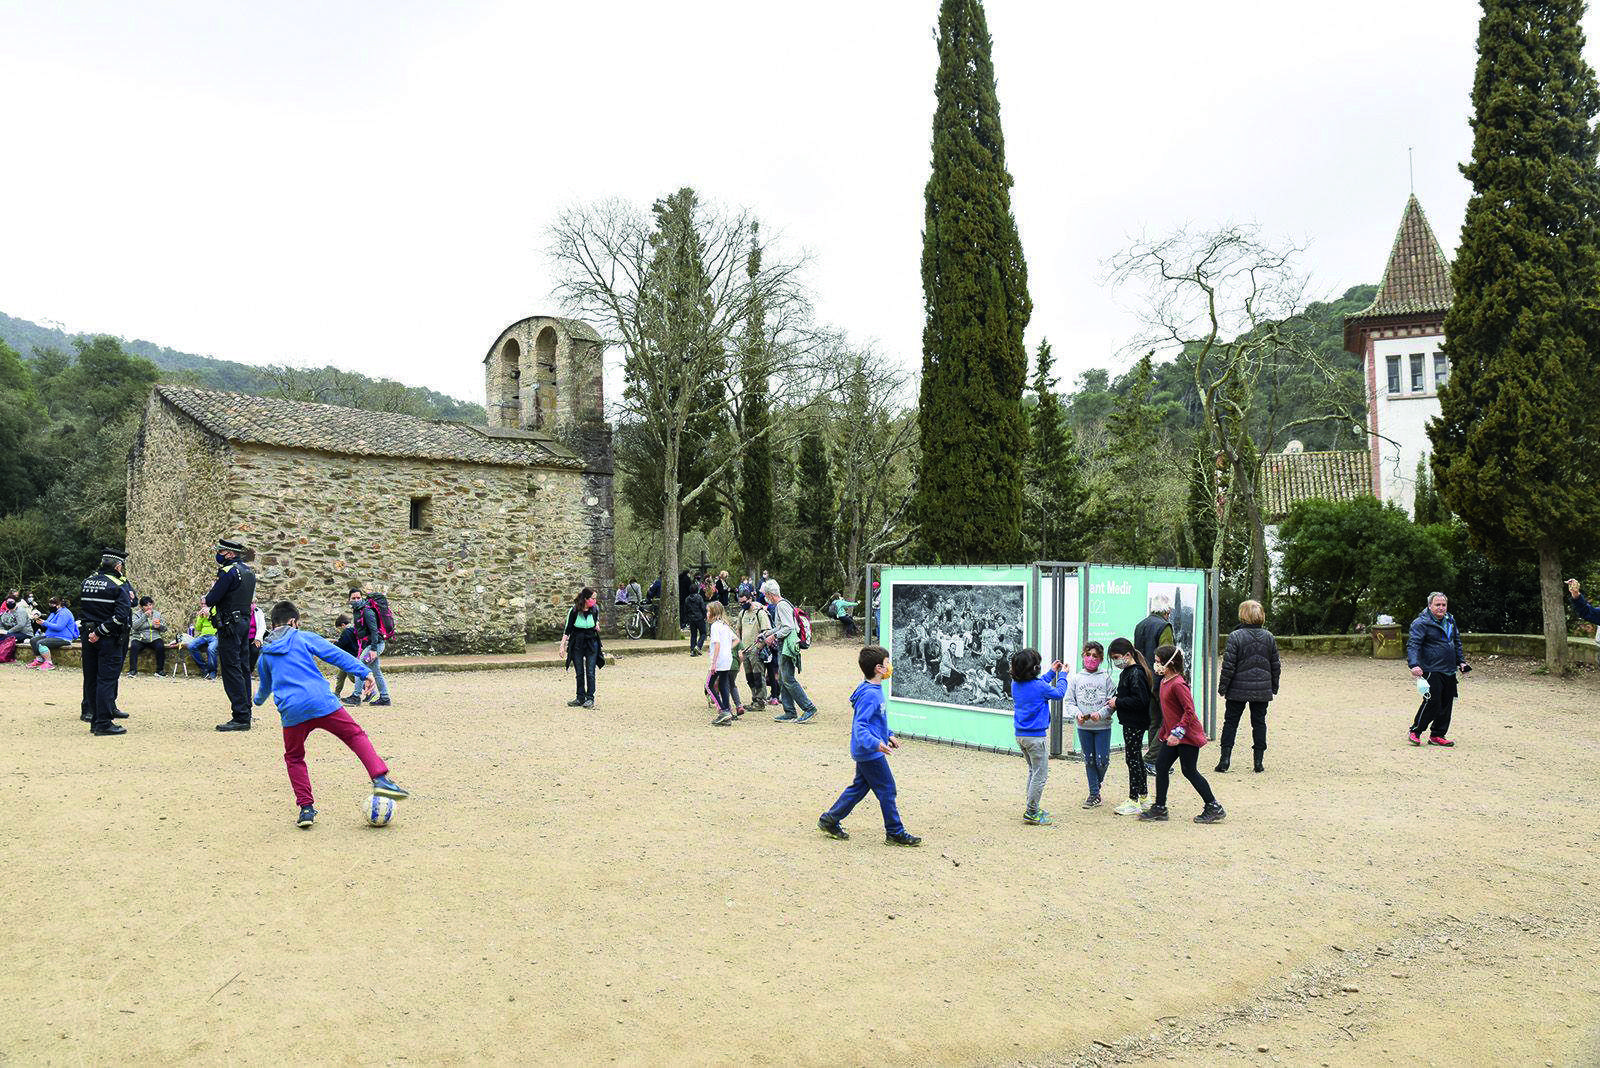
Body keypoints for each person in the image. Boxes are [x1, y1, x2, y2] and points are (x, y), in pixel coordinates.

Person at [252, 600, 409, 829]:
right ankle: (380, 779)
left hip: (292, 711)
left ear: (273, 624)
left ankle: (306, 809)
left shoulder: (265, 654)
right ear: (294, 622)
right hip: (322, 703)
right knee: (355, 736)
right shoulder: (303, 637)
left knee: (294, 758)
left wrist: (256, 701)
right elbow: (335, 655)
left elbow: (265, 686)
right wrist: (364, 672)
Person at [817, 645, 921, 846]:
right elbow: (861, 726)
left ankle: (829, 819)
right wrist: (876, 743)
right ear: (878, 669)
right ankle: (895, 832)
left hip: (868, 749)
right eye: (887, 664)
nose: (890, 667)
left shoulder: (870, 688)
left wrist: (888, 734)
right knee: (888, 789)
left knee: (859, 787)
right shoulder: (871, 694)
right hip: (870, 751)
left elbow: (877, 720)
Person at [1139, 646, 1225, 824]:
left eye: (1157, 661)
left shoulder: (1178, 684)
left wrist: (1178, 732)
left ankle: (1213, 806)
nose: (1155, 665)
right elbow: (1169, 712)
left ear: (1170, 663)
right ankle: (1160, 808)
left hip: (1187, 737)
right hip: (1173, 736)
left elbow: (1189, 711)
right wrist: (1165, 732)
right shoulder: (1164, 681)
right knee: (1161, 766)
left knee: (1189, 771)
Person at [1216, 599, 1281, 773]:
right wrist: (1274, 686)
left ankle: (1225, 760)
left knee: (1230, 723)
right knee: (1259, 723)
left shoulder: (1235, 636)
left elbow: (1228, 666)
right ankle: (1258, 762)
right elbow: (1276, 665)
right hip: (1261, 689)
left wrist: (1223, 687)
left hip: (1237, 689)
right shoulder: (1269, 637)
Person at [204, 537, 259, 731]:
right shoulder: (248, 571)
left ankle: (240, 716)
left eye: (221, 551)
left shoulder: (228, 572)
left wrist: (209, 594)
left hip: (230, 625)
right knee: (243, 667)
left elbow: (212, 599)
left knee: (231, 668)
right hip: (244, 621)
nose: (218, 554)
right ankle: (246, 712)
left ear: (229, 553)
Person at [1009, 647, 1068, 825]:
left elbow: (1038, 684)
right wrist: (1063, 675)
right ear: (1034, 669)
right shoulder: (1040, 687)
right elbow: (1059, 693)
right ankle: (1032, 811)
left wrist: (1052, 672)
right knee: (1040, 775)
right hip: (1036, 739)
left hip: (1021, 736)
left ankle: (1031, 805)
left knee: (1032, 771)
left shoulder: (1015, 684)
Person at [79, 548, 133, 735]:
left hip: (88, 635)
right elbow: (121, 615)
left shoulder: (87, 581)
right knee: (106, 680)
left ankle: (94, 720)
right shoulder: (118, 585)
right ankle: (103, 722)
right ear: (118, 566)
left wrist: (93, 632)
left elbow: (84, 609)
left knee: (92, 679)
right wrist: (101, 631)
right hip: (108, 638)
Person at [1406, 591, 1467, 748]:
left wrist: (1461, 661)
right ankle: (1415, 731)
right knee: (1432, 701)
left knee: (1447, 702)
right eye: (1437, 605)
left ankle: (1437, 735)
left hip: (1449, 668)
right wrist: (1414, 664)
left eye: (1443, 605)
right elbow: (1413, 644)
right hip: (1431, 668)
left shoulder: (1450, 620)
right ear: (1429, 606)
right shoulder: (1420, 623)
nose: (1441, 608)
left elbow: (1456, 641)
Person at [1066, 641, 1115, 809]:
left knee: (1102, 761)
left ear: (1100, 659)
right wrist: (1077, 714)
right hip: (1084, 727)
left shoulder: (1106, 678)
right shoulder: (1076, 679)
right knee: (1089, 760)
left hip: (1102, 727)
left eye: (1095, 656)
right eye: (1088, 655)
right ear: (1083, 656)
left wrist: (1101, 714)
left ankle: (1096, 783)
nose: (1091, 658)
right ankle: (1094, 793)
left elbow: (1112, 703)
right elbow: (1070, 702)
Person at [764, 579, 819, 723]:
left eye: (766, 594)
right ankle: (789, 711)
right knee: (783, 679)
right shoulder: (783, 604)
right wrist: (768, 633)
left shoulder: (781, 606)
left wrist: (774, 636)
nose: (765, 597)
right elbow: (782, 626)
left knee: (788, 679)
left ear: (770, 594)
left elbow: (788, 627)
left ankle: (809, 708)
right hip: (785, 645)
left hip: (787, 646)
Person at [1134, 598, 1174, 768]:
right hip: (1160, 680)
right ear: (1167, 611)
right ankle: (1152, 757)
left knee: (1154, 721)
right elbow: (1167, 654)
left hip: (1144, 679)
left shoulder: (1140, 625)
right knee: (1168, 721)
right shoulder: (1164, 626)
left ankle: (1156, 758)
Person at [344, 586, 392, 708]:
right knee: (376, 671)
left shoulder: (366, 611)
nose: (356, 600)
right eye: (353, 598)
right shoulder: (357, 611)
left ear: (362, 598)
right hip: (370, 645)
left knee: (359, 666)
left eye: (358, 597)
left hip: (375, 645)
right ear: (349, 599)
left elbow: (374, 631)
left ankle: (356, 696)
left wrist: (373, 650)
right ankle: (385, 698)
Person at [560, 587, 604, 709]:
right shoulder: (573, 611)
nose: (594, 600)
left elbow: (596, 622)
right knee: (579, 672)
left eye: (595, 598)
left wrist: (597, 626)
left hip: (591, 641)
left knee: (590, 671)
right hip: (577, 642)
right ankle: (580, 697)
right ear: (585, 598)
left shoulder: (595, 609)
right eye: (593, 598)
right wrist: (562, 646)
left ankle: (590, 698)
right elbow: (567, 630)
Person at [735, 589, 770, 710]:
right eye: (740, 603)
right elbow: (738, 629)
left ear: (750, 599)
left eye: (744, 602)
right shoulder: (742, 613)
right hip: (745, 650)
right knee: (749, 677)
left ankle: (760, 700)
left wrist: (758, 647)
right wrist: (739, 646)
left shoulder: (759, 613)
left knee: (758, 675)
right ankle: (754, 698)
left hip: (756, 650)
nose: (742, 604)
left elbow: (766, 632)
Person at [705, 601, 738, 726]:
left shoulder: (715, 626)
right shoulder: (725, 625)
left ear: (713, 613)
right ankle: (727, 710)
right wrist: (727, 649)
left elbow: (717, 644)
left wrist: (713, 663)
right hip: (727, 659)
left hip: (719, 660)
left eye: (708, 611)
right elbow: (736, 640)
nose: (707, 614)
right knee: (723, 684)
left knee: (709, 685)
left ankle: (723, 711)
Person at [27, 597, 78, 670]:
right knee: (33, 640)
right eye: (50, 604)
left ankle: (49, 663)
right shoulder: (53, 613)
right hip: (50, 636)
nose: (50, 606)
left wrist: (45, 623)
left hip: (63, 638)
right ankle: (40, 660)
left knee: (41, 643)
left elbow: (59, 627)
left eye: (52, 604)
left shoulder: (65, 613)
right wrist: (41, 623)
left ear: (59, 604)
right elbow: (49, 624)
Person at [127, 596, 169, 677]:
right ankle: (132, 670)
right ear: (141, 607)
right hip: (140, 638)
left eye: (150, 605)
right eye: (146, 605)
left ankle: (159, 671)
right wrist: (144, 616)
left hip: (154, 637)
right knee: (134, 646)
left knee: (160, 646)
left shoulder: (157, 614)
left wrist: (159, 626)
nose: (149, 607)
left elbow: (165, 629)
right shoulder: (136, 614)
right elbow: (134, 626)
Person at [183, 610, 219, 678]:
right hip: (203, 636)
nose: (203, 606)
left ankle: (212, 672)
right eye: (202, 604)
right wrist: (200, 617)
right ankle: (204, 668)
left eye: (204, 604)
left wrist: (210, 616)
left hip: (214, 635)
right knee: (191, 646)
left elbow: (218, 624)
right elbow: (198, 628)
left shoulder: (215, 610)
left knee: (211, 649)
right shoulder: (201, 614)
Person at [330, 614, 358, 698]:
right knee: (340, 676)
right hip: (348, 656)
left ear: (342, 625)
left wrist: (334, 643)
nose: (339, 630)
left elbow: (341, 644)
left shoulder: (346, 632)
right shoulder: (353, 630)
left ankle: (369, 690)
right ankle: (337, 693)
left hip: (348, 657)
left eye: (339, 628)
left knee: (352, 677)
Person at [684, 583, 708, 657]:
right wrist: (705, 615)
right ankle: (698, 646)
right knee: (703, 633)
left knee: (693, 635)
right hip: (699, 618)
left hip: (692, 619)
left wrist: (688, 618)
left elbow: (685, 610)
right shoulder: (699, 597)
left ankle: (692, 649)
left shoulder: (687, 599)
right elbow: (703, 607)